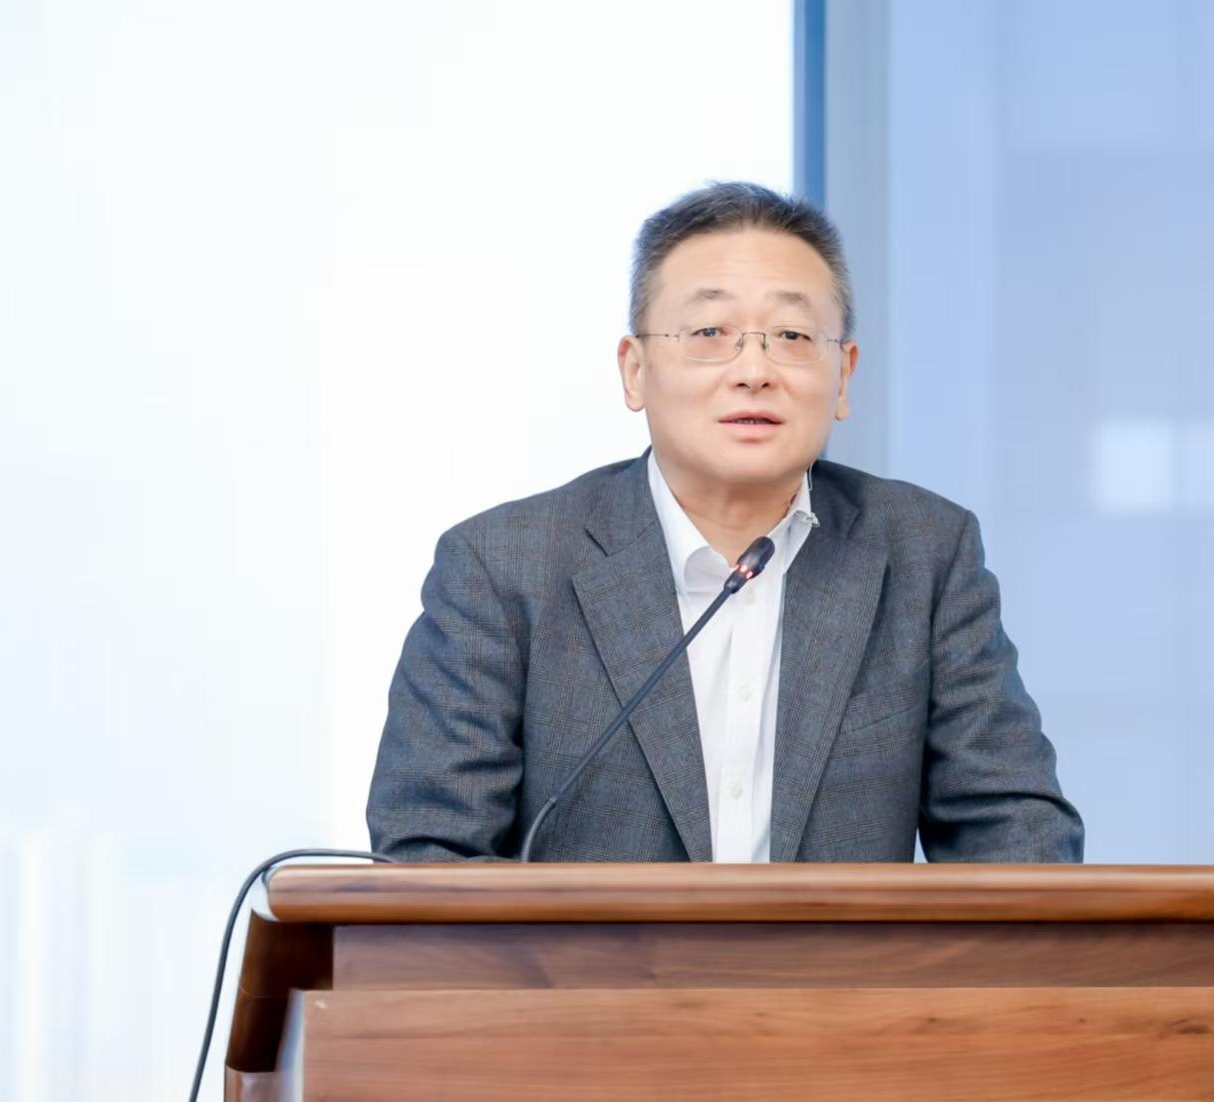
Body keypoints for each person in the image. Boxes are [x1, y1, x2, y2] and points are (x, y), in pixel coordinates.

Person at [366, 182, 1082, 863]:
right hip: (593, 961)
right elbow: (430, 857)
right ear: (635, 370)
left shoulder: (923, 555)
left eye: (792, 335)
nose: (754, 371)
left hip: (841, 961)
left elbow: (1019, 838)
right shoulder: (503, 568)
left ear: (844, 376)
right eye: (710, 332)